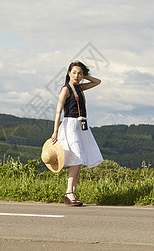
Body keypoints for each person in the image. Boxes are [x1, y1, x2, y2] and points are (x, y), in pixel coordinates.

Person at [51, 61, 103, 206]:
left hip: (81, 126)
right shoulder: (65, 89)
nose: (77, 76)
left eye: (80, 73)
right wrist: (55, 131)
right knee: (78, 159)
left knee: (79, 160)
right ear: (68, 73)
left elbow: (97, 81)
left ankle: (72, 193)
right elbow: (58, 111)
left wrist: (84, 76)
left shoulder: (80, 87)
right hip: (70, 125)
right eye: (74, 73)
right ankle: (69, 193)